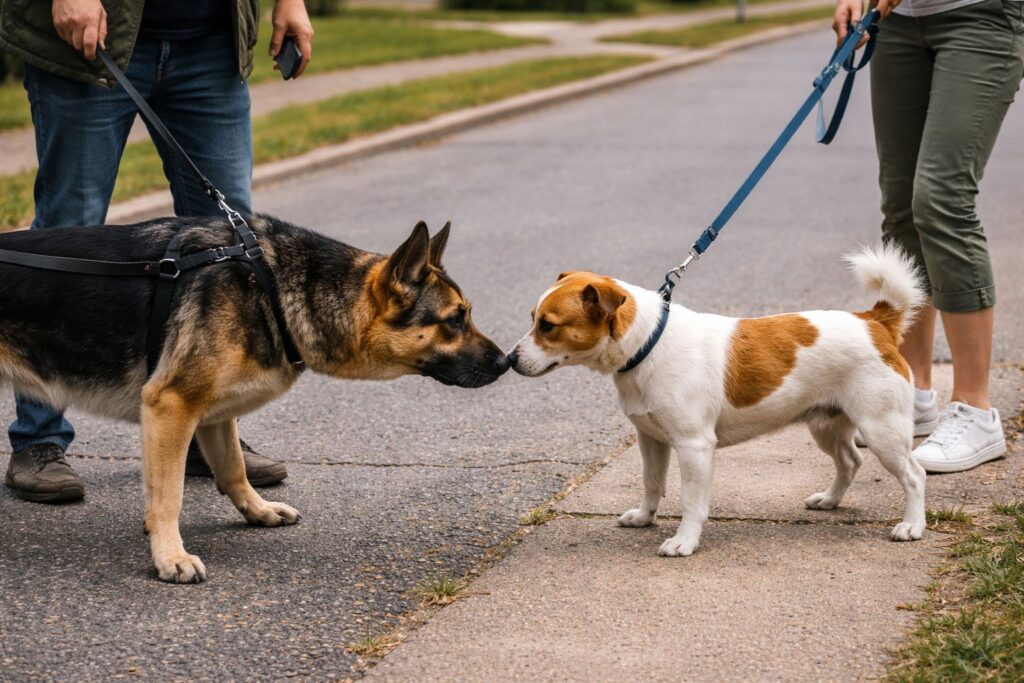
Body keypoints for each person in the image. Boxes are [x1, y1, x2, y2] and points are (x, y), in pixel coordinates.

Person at [0, 0, 314, 502]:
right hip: (96, 37)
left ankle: (198, 423)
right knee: (68, 236)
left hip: (210, 43)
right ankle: (39, 441)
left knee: (231, 252)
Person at [834, 0, 1020, 472]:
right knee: (900, 209)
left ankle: (976, 410)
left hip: (981, 15)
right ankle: (909, 392)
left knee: (942, 199)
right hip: (898, 22)